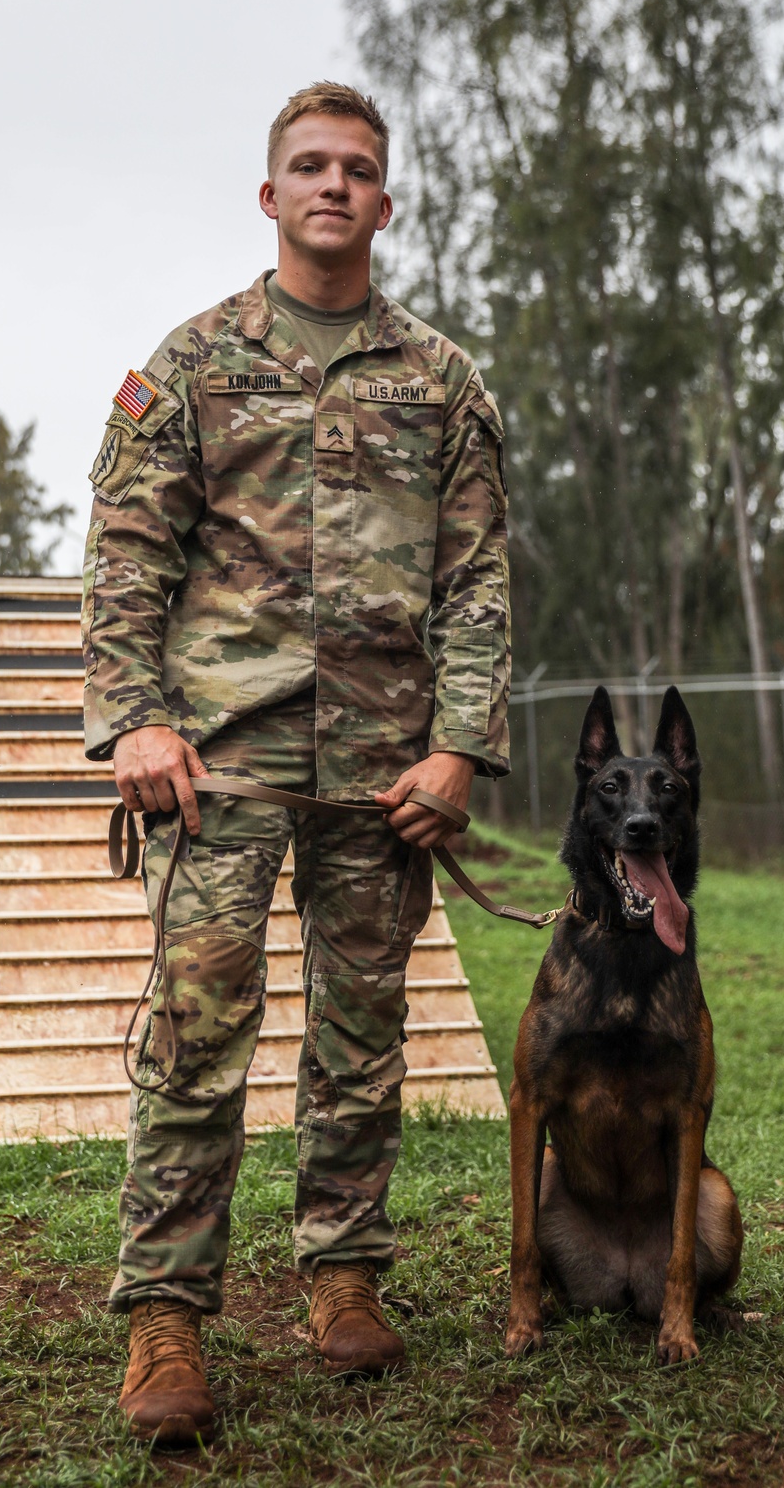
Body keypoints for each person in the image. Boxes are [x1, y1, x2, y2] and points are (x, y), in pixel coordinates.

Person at [82, 82, 510, 1447]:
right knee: (197, 1043)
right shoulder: (196, 365)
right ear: (270, 197)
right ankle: (165, 1319)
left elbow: (479, 580)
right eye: (311, 168)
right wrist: (136, 719)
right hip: (219, 764)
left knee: (360, 1038)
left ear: (387, 201)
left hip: (382, 776)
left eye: (359, 169)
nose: (335, 186)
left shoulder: (441, 382)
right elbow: (127, 558)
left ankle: (342, 1278)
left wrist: (458, 745)